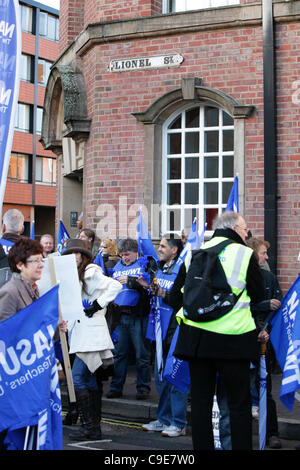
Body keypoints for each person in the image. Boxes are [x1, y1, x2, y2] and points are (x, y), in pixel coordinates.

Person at [174, 211, 265, 450]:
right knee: (238, 404)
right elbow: (259, 294)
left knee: (201, 403)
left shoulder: (193, 253)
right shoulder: (245, 254)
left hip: (196, 340)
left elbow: (175, 297)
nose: (247, 234)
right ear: (235, 228)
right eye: (246, 230)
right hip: (234, 341)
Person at [0, 237, 66, 449]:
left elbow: (37, 331)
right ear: (20, 265)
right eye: (35, 261)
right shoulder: (10, 292)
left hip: (30, 375)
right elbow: (6, 334)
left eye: (42, 260)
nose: (40, 265)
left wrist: (55, 328)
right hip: (16, 376)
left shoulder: (34, 289)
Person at [61, 238, 122, 441]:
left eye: (76, 253)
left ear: (84, 255)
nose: (73, 257)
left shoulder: (90, 271)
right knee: (89, 378)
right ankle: (94, 428)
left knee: (78, 377)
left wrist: (97, 304)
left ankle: (89, 427)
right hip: (81, 333)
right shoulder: (74, 274)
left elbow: (115, 286)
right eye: (70, 254)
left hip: (92, 333)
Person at [142, 236, 188, 437]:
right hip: (158, 330)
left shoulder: (183, 270)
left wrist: (163, 294)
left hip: (175, 331)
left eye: (162, 246)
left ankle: (178, 422)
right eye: (158, 245)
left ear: (175, 250)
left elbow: (184, 300)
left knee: (174, 376)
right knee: (160, 377)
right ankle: (163, 419)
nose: (158, 249)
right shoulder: (158, 267)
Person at [247, 237, 282, 449]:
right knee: (241, 388)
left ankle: (272, 433)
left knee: (265, 390)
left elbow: (277, 309)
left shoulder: (269, 278)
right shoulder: (240, 278)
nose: (267, 256)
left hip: (263, 342)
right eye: (263, 253)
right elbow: (238, 307)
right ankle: (241, 433)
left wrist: (267, 331)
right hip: (243, 339)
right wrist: (263, 305)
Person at [106, 238, 152, 400]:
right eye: (122, 255)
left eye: (127, 254)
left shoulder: (145, 265)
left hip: (138, 315)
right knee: (119, 354)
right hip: (121, 316)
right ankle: (116, 387)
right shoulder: (116, 267)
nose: (124, 257)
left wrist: (131, 281)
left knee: (142, 354)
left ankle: (143, 388)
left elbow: (149, 288)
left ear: (136, 252)